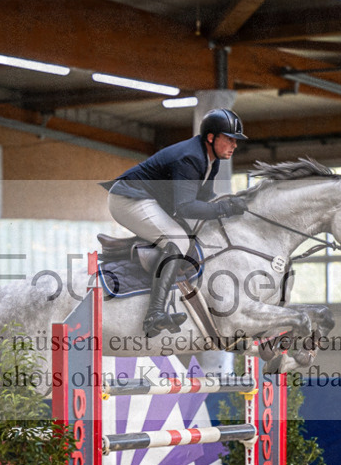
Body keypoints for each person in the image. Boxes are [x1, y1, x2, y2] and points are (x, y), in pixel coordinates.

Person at [102, 108, 249, 338]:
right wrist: (223, 209)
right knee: (178, 241)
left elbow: (204, 199)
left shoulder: (212, 160)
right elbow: (186, 207)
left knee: (190, 236)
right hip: (128, 199)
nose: (234, 145)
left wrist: (232, 202)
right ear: (211, 137)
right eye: (229, 139)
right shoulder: (190, 157)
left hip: (149, 200)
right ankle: (154, 314)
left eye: (235, 140)